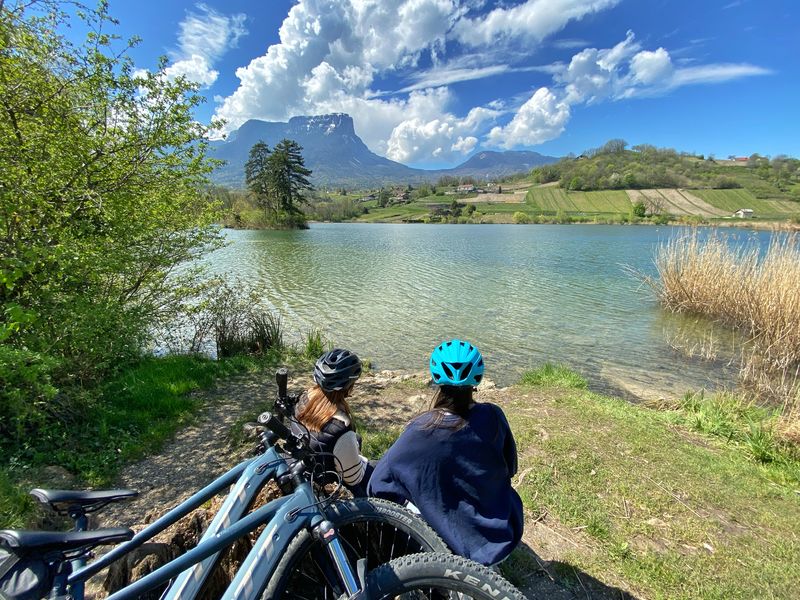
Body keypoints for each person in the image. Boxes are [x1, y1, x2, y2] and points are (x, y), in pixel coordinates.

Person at [368, 339, 523, 566]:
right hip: (503, 536)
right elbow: (510, 467)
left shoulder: (421, 429)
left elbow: (377, 484)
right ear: (477, 379)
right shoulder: (493, 415)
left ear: (435, 378)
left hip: (455, 550)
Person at [290, 348, 371, 495]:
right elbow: (354, 479)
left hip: (304, 466)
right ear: (349, 387)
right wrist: (363, 461)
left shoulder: (303, 399)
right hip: (325, 485)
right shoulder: (340, 428)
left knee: (356, 440)